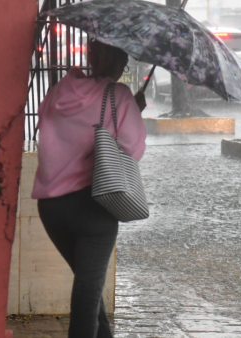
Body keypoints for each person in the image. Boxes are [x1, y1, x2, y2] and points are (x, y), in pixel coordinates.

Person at [31, 39, 147, 338]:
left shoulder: (60, 91)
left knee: (88, 286)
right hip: (95, 205)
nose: (124, 68)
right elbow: (132, 150)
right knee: (88, 289)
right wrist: (134, 109)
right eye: (123, 61)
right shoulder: (118, 95)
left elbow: (45, 129)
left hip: (51, 207)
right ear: (115, 61)